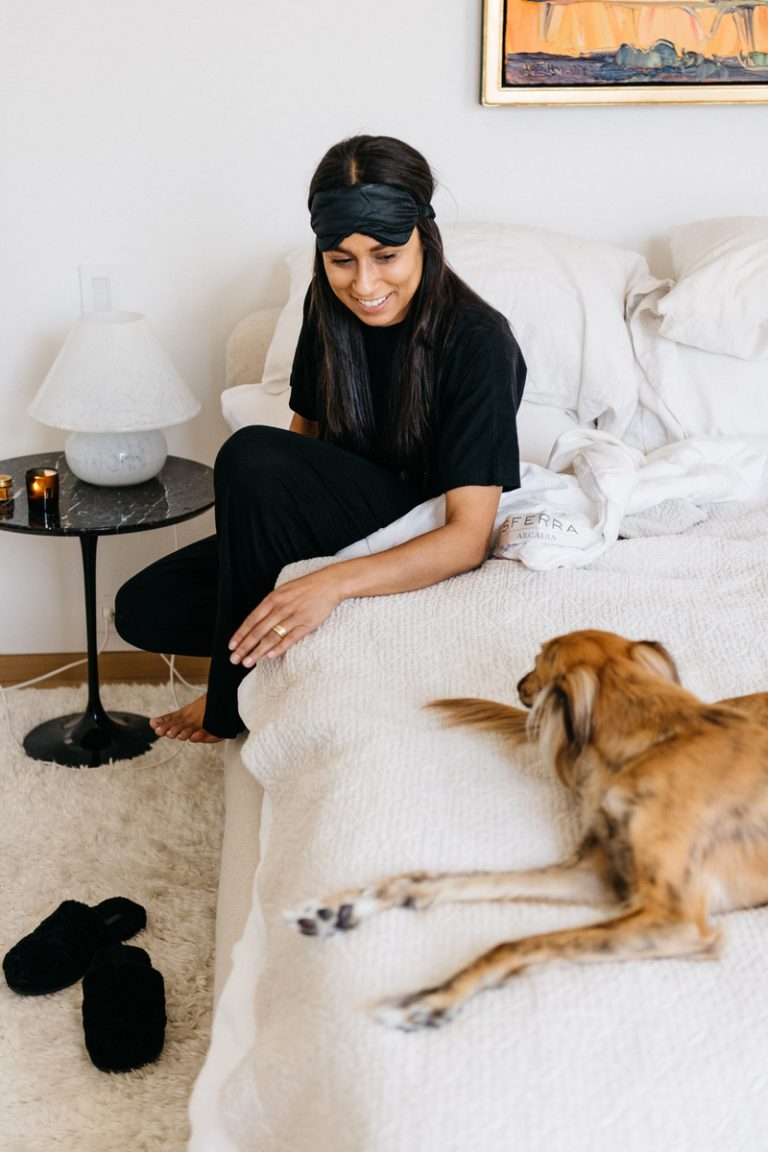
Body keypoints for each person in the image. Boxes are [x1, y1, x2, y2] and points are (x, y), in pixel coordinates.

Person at [114, 135, 526, 743]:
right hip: (344, 525)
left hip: (417, 529)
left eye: (386, 255)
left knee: (250, 451)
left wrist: (328, 583)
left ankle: (231, 699)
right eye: (342, 260)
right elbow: (301, 447)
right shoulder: (327, 310)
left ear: (424, 238)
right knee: (144, 608)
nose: (364, 284)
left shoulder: (479, 339)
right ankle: (289, 628)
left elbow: (467, 539)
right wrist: (278, 564)